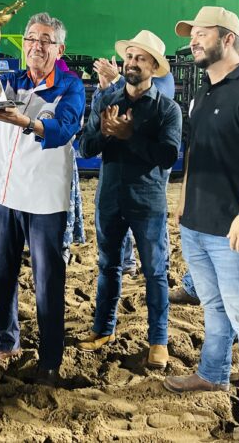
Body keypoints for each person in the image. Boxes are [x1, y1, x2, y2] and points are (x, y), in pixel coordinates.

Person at [163, 6, 239, 442]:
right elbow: (194, 152)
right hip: (198, 222)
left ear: (228, 38)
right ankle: (212, 375)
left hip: (235, 226)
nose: (193, 40)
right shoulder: (206, 90)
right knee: (214, 309)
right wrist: (182, 201)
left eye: (201, 34)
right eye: (191, 33)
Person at [0, 12, 85, 386]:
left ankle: (50, 359)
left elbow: (65, 127)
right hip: (3, 193)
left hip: (45, 197)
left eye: (45, 40)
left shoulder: (70, 86)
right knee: (0, 270)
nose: (37, 46)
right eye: (31, 39)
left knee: (49, 279)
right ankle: (5, 342)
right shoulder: (12, 81)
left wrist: (27, 122)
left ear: (59, 48)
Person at [77, 31, 181, 371]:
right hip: (109, 197)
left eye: (140, 58)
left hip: (148, 201)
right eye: (130, 56)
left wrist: (129, 136)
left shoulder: (168, 109)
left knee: (155, 272)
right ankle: (103, 329)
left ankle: (158, 341)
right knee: (108, 266)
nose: (132, 63)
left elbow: (168, 156)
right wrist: (105, 133)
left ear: (154, 67)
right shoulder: (106, 99)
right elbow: (85, 148)